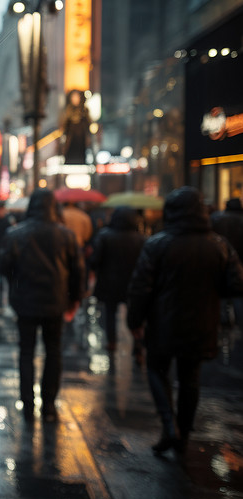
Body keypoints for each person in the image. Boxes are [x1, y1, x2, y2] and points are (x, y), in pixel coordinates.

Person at [128, 186, 243, 456]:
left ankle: (169, 425)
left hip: (163, 322)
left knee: (157, 369)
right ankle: (183, 434)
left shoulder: (157, 243)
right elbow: (236, 283)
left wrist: (135, 321)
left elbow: (140, 287)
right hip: (202, 322)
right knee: (190, 377)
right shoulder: (218, 244)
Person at [0, 189, 84, 422]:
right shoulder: (66, 235)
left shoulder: (16, 234)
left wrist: (16, 282)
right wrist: (75, 299)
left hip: (25, 301)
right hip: (55, 302)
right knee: (53, 351)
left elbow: (4, 265)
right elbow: (78, 271)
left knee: (26, 351)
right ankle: (48, 406)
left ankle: (27, 404)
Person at [88, 207, 145, 351]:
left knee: (110, 313)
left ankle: (111, 342)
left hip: (110, 283)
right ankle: (137, 346)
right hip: (132, 284)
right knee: (135, 313)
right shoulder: (140, 239)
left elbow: (95, 260)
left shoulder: (105, 235)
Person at [210, 197, 243, 328]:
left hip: (220, 258)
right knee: (238, 291)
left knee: (221, 290)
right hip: (239, 259)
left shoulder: (216, 218)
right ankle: (239, 323)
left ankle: (223, 320)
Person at [60, 89, 91, 164]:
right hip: (71, 141)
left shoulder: (84, 111)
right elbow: (64, 127)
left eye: (77, 97)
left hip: (81, 141)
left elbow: (88, 125)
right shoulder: (68, 111)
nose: (75, 99)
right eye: (73, 97)